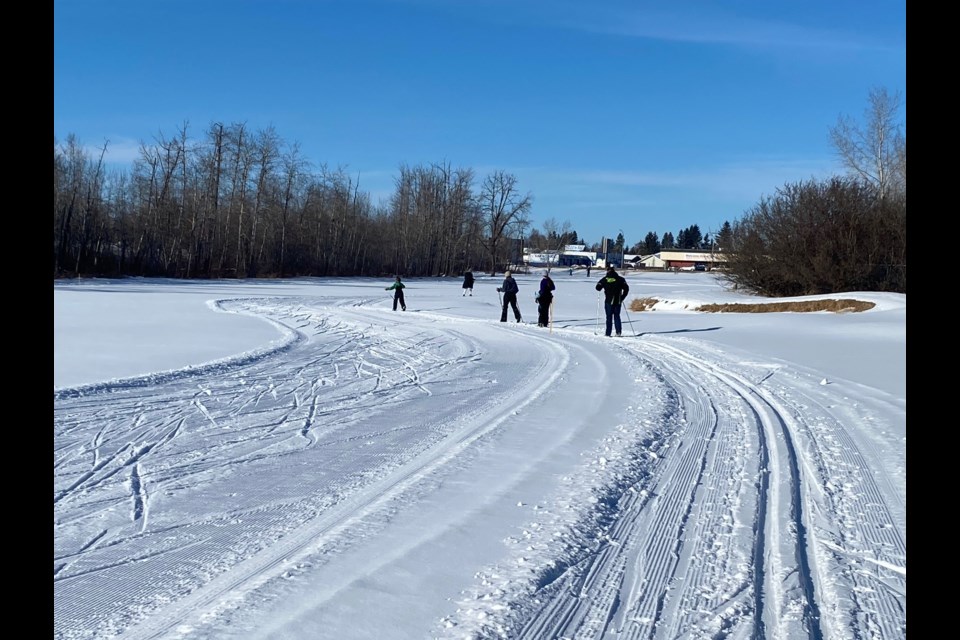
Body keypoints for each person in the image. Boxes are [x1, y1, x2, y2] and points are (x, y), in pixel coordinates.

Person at [595, 266, 629, 336]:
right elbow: (626, 289)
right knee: (617, 316)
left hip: (608, 301)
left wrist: (600, 285)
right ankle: (618, 332)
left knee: (609, 317)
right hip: (618, 301)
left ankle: (608, 333)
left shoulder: (605, 279)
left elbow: (598, 288)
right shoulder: (620, 279)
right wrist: (622, 297)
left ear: (607, 271)